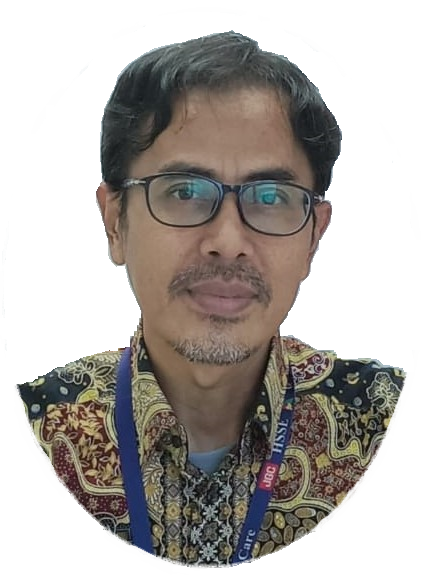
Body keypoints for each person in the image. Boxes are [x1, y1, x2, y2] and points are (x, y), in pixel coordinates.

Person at [17, 31, 405, 566]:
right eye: (184, 191)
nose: (227, 241)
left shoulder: (389, 425)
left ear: (314, 237)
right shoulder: (31, 431)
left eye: (270, 196)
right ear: (114, 223)